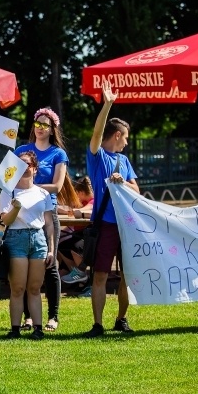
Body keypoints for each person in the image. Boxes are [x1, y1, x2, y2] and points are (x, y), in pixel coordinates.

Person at [84, 81, 139, 338]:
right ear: (117, 135)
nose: (127, 142)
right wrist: (107, 104)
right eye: (125, 137)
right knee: (101, 275)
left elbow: (137, 192)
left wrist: (124, 182)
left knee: (127, 275)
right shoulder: (97, 156)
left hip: (126, 225)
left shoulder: (124, 161)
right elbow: (97, 134)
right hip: (105, 224)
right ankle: (98, 324)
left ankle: (121, 319)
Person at [14, 107, 68, 332]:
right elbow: (10, 180)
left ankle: (53, 316)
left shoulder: (58, 154)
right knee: (24, 267)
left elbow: (57, 186)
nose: (40, 128)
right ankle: (27, 317)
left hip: (47, 212)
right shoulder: (21, 150)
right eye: (38, 123)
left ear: (52, 128)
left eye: (45, 125)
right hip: (22, 214)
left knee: (51, 265)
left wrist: (31, 187)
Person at [0, 151, 54, 340]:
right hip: (16, 238)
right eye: (20, 165)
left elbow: (49, 223)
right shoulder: (8, 191)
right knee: (17, 287)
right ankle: (15, 328)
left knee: (35, 288)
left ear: (35, 168)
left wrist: (52, 249)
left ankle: (37, 328)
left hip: (38, 239)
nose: (24, 169)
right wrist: (15, 207)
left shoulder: (43, 193)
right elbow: (6, 221)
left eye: (28, 165)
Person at [59, 176, 94, 285]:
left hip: (87, 238)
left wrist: (67, 210)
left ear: (81, 193)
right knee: (60, 243)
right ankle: (76, 276)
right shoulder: (85, 201)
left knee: (62, 246)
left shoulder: (93, 201)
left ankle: (82, 277)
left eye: (76, 194)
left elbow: (81, 211)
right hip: (80, 235)